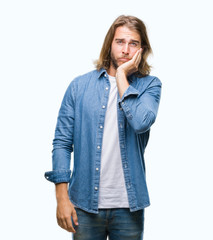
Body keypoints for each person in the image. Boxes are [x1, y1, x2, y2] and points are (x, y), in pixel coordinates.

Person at [44, 15, 161, 240]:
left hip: (129, 207)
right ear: (110, 44)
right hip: (84, 204)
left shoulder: (150, 86)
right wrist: (61, 197)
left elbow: (140, 122)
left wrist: (121, 75)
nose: (126, 49)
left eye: (133, 43)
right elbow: (62, 142)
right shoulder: (79, 86)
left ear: (141, 49)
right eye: (120, 42)